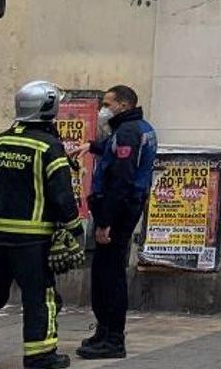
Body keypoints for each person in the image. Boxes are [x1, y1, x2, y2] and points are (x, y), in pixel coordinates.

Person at [0, 81, 82, 369]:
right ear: (49, 108)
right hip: (34, 241)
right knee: (41, 297)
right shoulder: (49, 147)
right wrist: (74, 229)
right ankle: (40, 356)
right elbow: (62, 196)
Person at [71, 85, 158, 360]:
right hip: (125, 206)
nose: (102, 109)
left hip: (118, 209)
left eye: (107, 104)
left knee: (108, 274)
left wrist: (105, 221)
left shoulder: (128, 132)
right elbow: (117, 151)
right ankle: (105, 331)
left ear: (123, 105)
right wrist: (92, 146)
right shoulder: (137, 128)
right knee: (106, 271)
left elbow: (121, 178)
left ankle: (112, 338)